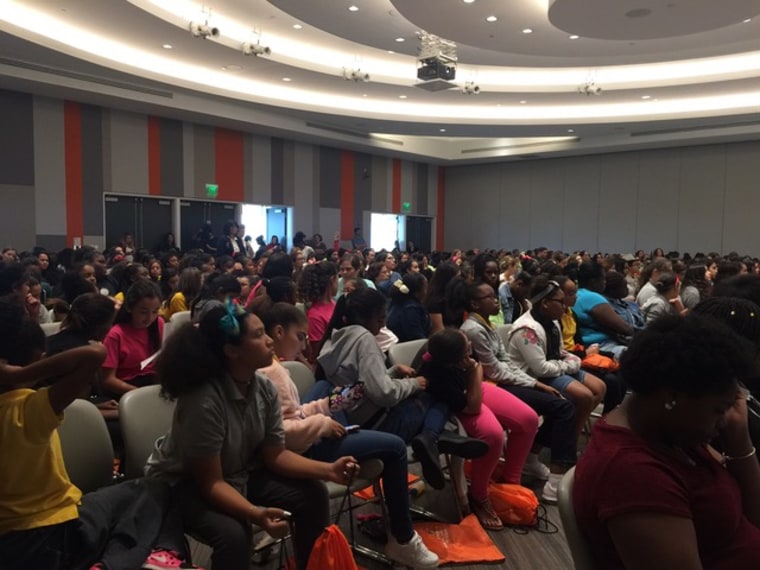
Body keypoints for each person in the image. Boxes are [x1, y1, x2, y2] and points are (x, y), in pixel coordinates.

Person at [145, 304, 358, 570]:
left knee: (313, 493)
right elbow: (211, 483)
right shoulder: (203, 400)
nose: (269, 339)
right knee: (234, 534)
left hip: (238, 472)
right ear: (231, 351)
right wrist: (255, 513)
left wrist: (329, 471)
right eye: (259, 335)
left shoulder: (264, 387)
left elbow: (275, 455)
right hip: (182, 485)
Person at [0, 298, 193, 570]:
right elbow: (94, 354)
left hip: (11, 546)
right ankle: (129, 561)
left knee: (133, 502)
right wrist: (18, 376)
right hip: (57, 533)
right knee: (156, 489)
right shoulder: (26, 408)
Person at [256, 302, 439, 567]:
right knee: (397, 447)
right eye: (301, 336)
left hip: (305, 437)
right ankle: (402, 539)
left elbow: (291, 415)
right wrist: (322, 423)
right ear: (279, 332)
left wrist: (329, 406)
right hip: (302, 450)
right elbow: (280, 434)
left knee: (324, 386)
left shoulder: (277, 366)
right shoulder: (270, 372)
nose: (305, 345)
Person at [574, 314, 760, 569]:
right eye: (719, 409)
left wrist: (740, 440)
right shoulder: (634, 475)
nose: (726, 420)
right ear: (672, 396)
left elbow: (753, 516)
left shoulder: (674, 435)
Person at [317, 288, 487, 490]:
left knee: (428, 393)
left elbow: (362, 386)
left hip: (359, 421)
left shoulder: (335, 338)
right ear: (364, 317)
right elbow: (383, 394)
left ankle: (435, 437)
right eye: (380, 320)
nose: (382, 326)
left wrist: (394, 371)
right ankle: (432, 437)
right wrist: (413, 384)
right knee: (436, 396)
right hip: (381, 426)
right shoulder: (364, 340)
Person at [461, 280, 577, 503]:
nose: (496, 300)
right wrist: (534, 384)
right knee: (562, 407)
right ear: (475, 304)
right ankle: (554, 480)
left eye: (495, 295)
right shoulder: (473, 330)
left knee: (567, 402)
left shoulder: (487, 324)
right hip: (490, 384)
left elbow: (505, 361)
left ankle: (529, 463)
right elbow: (494, 370)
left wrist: (532, 382)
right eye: (489, 298)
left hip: (505, 379)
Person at [418, 328, 539, 530]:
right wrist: (474, 369)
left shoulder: (452, 347)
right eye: (467, 350)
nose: (471, 350)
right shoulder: (435, 375)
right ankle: (479, 495)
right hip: (456, 402)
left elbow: (478, 369)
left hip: (472, 388)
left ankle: (511, 482)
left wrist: (474, 368)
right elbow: (472, 407)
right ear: (455, 361)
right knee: (492, 435)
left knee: (528, 419)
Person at [507, 276, 607, 440]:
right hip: (533, 376)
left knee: (600, 387)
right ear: (545, 303)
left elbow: (560, 352)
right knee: (584, 397)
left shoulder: (552, 322)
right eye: (560, 302)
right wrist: (571, 364)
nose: (564, 305)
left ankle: (569, 434)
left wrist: (572, 361)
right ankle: (568, 441)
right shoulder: (526, 330)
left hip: (554, 367)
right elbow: (541, 369)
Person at [102, 280, 163, 399]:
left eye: (155, 311)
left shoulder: (158, 323)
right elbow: (108, 380)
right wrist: (140, 394)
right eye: (143, 312)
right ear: (130, 308)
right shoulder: (115, 334)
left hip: (151, 381)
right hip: (126, 387)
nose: (149, 318)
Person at [574, 262, 633, 359]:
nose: (605, 282)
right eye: (603, 279)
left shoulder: (578, 294)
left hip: (586, 345)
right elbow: (624, 328)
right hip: (600, 345)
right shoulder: (591, 297)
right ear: (593, 281)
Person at [386, 272, 430, 342]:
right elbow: (417, 338)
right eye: (426, 288)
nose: (427, 291)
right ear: (416, 292)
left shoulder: (398, 300)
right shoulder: (411, 309)